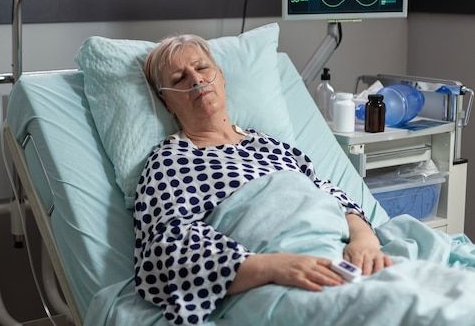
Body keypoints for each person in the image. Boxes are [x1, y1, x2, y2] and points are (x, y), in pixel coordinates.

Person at [133, 34, 392, 325]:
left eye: (202, 68)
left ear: (221, 77)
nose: (195, 79)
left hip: (343, 248)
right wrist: (270, 266)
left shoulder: (271, 144)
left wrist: (364, 239)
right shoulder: (171, 160)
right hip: (273, 269)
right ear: (167, 102)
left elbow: (328, 191)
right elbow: (164, 248)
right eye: (180, 78)